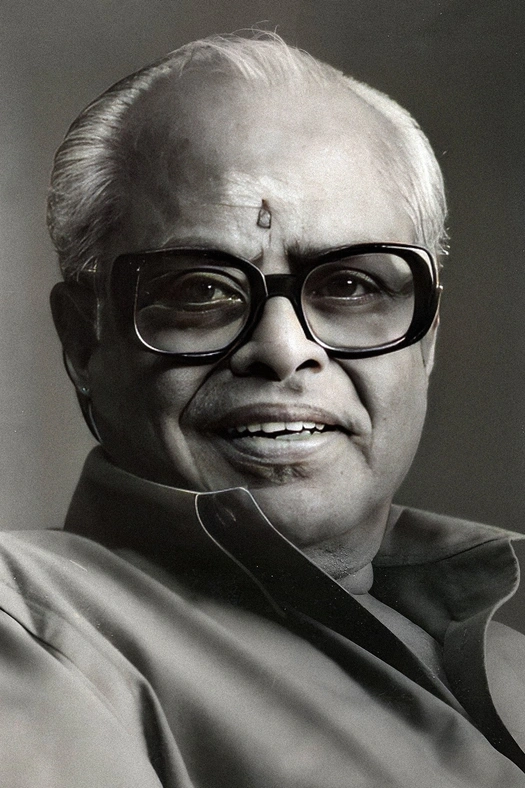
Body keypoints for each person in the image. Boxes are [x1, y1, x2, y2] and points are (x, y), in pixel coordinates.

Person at [0, 33, 524, 787]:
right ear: (84, 342)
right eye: (201, 289)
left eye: (349, 286)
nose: (282, 349)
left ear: (427, 338)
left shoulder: (510, 663)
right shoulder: (28, 630)